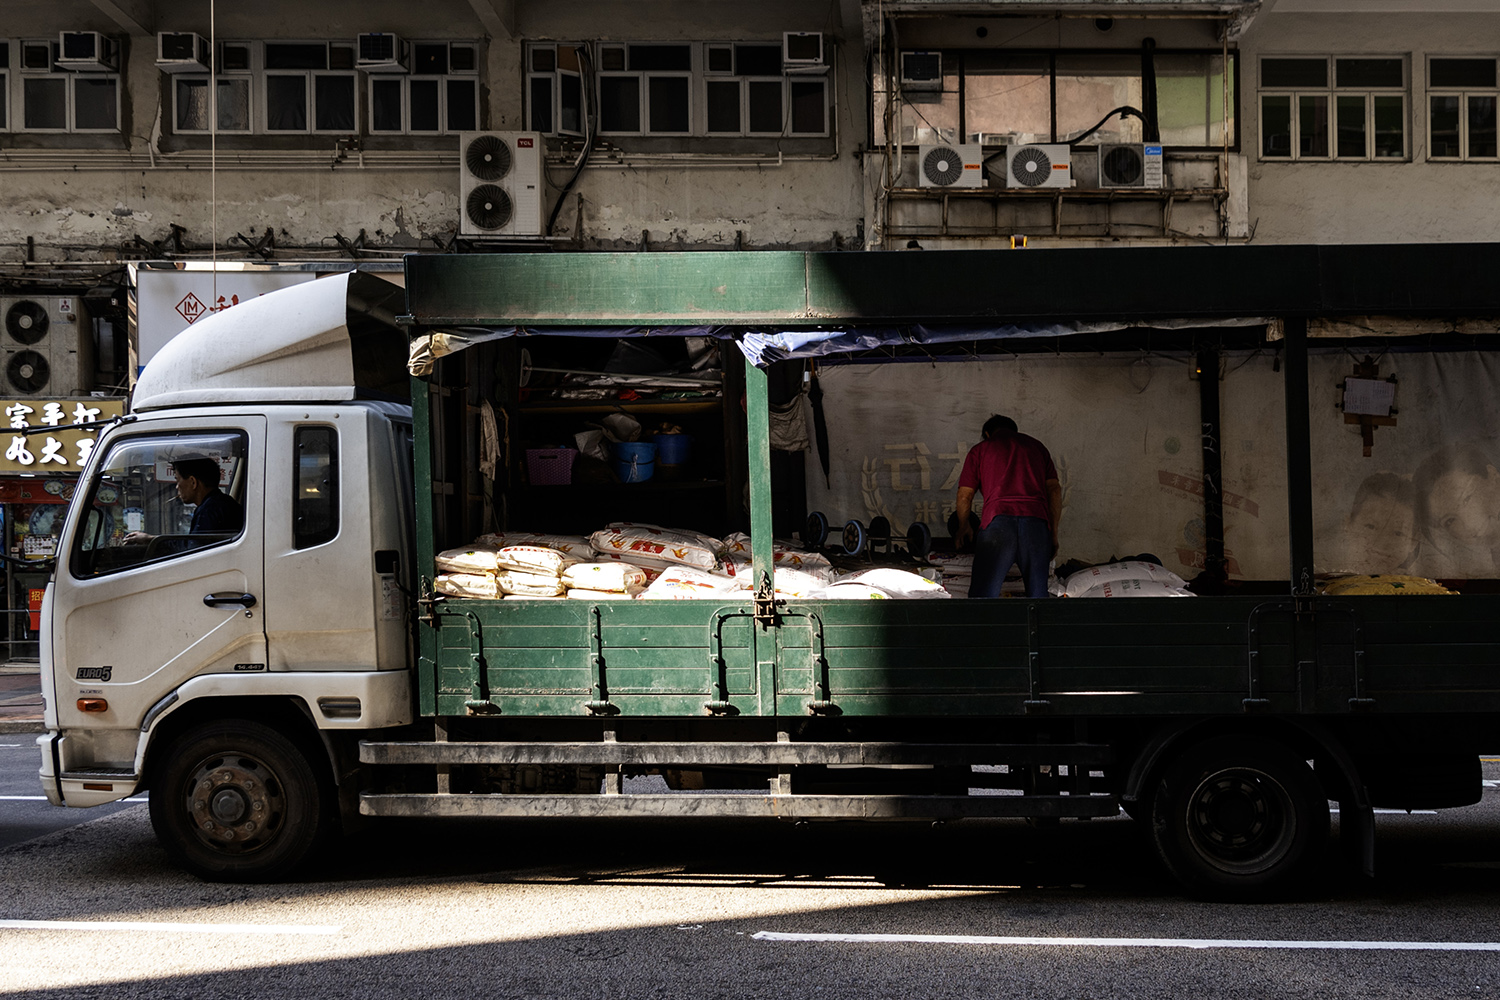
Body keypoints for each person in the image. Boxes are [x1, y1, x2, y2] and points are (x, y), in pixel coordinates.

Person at [954, 414, 1061, 599]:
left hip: (997, 524)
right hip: (1036, 525)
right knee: (1038, 598)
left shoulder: (981, 449)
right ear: (1014, 430)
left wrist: (963, 526)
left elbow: (965, 494)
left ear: (987, 433)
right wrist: (1053, 533)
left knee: (983, 597)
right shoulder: (1037, 447)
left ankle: (982, 629)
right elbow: (1054, 491)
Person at [123, 457, 243, 549]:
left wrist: (154, 541)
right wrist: (151, 540)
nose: (176, 487)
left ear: (193, 482)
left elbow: (191, 552)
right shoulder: (223, 503)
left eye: (177, 480)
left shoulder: (209, 511)